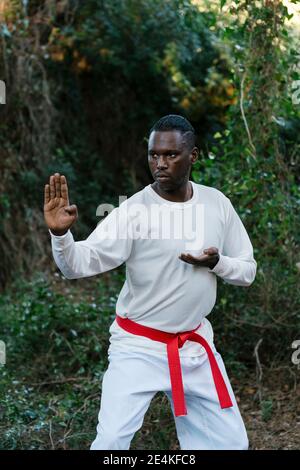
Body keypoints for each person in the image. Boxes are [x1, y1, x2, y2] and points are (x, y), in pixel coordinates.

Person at [44, 114, 256, 450]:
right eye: (153, 154)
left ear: (193, 156)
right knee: (111, 442)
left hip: (195, 346)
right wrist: (61, 234)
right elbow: (77, 265)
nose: (160, 163)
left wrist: (218, 263)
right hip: (138, 347)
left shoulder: (217, 204)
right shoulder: (133, 212)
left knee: (231, 444)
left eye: (171, 155)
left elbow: (247, 271)